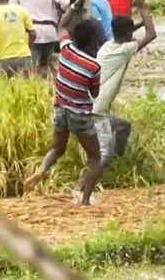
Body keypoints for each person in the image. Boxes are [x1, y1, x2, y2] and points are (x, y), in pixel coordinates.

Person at [24, 19, 105, 205]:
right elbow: (94, 93)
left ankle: (41, 171)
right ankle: (85, 200)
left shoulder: (66, 49)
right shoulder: (94, 66)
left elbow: (62, 26)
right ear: (94, 41)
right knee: (95, 158)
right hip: (80, 115)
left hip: (60, 109)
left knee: (57, 148)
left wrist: (75, 3)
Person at [93, 0, 156, 114]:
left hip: (91, 104)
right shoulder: (125, 50)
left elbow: (126, 34)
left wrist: (141, 24)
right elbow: (151, 34)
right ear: (128, 33)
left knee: (120, 129)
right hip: (98, 109)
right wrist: (142, 6)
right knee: (119, 130)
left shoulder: (108, 45)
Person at [10, 0, 69, 75]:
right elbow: (65, 2)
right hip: (50, 32)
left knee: (31, 71)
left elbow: (13, 11)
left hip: (29, 34)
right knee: (46, 68)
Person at [0, 0, 35, 76]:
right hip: (24, 56)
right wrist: (28, 48)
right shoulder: (22, 10)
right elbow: (33, 34)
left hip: (3, 58)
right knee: (25, 88)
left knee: (5, 89)